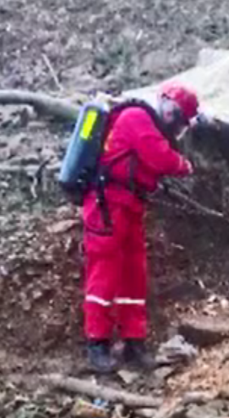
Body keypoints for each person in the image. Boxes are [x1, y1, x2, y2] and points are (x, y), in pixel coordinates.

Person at [83, 83, 199, 373]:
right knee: (104, 272)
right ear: (169, 107)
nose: (177, 127)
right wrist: (184, 164)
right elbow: (159, 156)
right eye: (179, 120)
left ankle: (134, 341)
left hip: (130, 206)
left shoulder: (149, 122)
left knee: (134, 274)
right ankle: (97, 343)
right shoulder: (136, 117)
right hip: (107, 205)